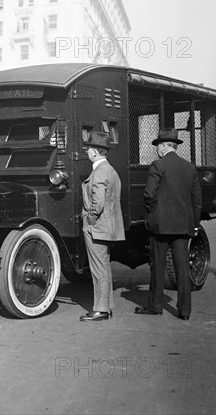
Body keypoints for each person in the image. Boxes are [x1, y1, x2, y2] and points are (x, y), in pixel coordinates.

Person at [136, 128, 202, 320]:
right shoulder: (189, 167)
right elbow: (196, 200)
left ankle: (155, 306)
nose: (157, 148)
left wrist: (154, 212)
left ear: (164, 146)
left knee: (157, 266)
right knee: (182, 269)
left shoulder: (158, 165)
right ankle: (184, 311)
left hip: (160, 226)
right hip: (182, 226)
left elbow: (149, 194)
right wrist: (194, 224)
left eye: (158, 145)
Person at [79, 132, 125, 322]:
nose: (87, 151)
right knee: (103, 267)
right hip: (107, 227)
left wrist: (89, 220)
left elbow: (97, 203)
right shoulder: (111, 170)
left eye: (89, 148)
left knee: (98, 269)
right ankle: (105, 307)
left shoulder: (99, 172)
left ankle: (101, 309)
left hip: (96, 227)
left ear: (96, 152)